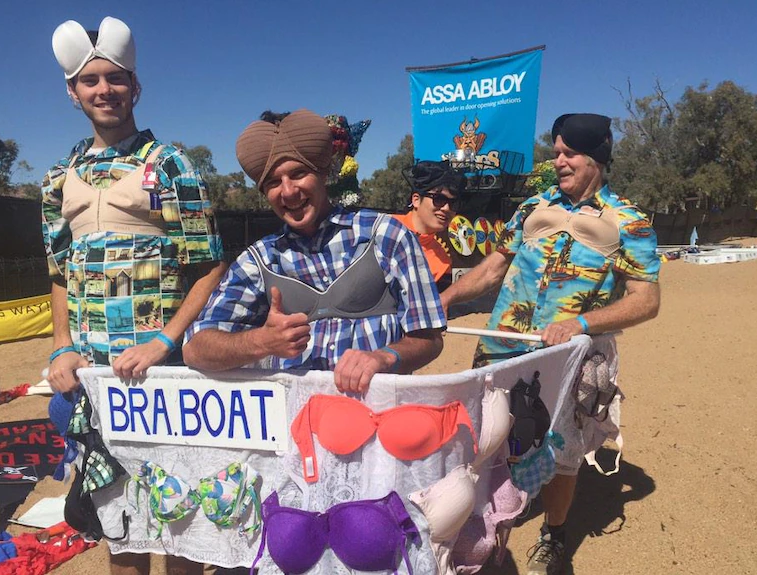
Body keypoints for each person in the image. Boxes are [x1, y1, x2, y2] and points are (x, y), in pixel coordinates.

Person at [41, 16, 226, 575]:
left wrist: (164, 343)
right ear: (73, 94)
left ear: (136, 88)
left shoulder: (170, 165)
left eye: (116, 79)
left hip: (163, 378)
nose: (104, 90)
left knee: (179, 521)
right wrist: (61, 346)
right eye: (90, 81)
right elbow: (56, 270)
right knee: (120, 524)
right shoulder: (57, 179)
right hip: (97, 379)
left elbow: (209, 266)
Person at [441, 113, 661, 574]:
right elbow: (492, 269)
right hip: (502, 344)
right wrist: (444, 299)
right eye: (556, 151)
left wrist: (582, 322)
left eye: (569, 153)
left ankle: (555, 535)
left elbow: (646, 301)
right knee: (484, 437)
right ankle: (483, 521)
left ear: (596, 158)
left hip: (566, 356)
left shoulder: (629, 221)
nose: (558, 160)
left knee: (562, 450)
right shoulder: (532, 207)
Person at [183, 109, 446, 393]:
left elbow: (430, 339)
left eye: (298, 173)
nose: (288, 191)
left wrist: (383, 357)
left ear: (323, 172)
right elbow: (195, 348)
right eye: (273, 182)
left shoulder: (386, 236)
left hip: (378, 419)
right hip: (291, 423)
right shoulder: (259, 261)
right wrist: (261, 341)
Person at [394, 160, 465, 291]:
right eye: (439, 199)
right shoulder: (384, 228)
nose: (446, 208)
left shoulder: (442, 263)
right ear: (416, 200)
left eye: (453, 203)